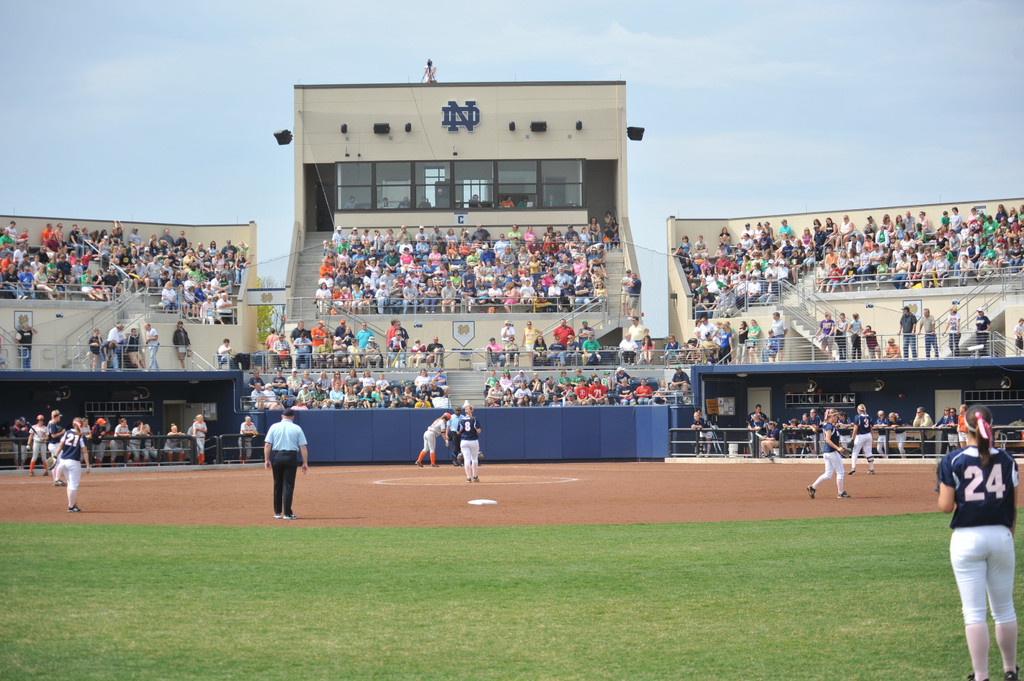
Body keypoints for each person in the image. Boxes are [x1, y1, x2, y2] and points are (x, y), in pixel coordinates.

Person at [938, 405, 1019, 681]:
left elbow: (946, 506)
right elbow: (1013, 506)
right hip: (1001, 535)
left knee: (974, 612)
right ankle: (1010, 670)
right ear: (991, 427)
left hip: (967, 538)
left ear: (966, 427)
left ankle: (981, 675)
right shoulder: (1008, 459)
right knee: (1004, 608)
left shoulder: (953, 459)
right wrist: (1008, 533)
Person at [263, 408, 309, 520]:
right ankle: (287, 513)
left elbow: (268, 444)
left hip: (277, 457)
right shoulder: (297, 428)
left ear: (281, 416)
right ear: (293, 417)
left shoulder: (274, 427)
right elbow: (303, 446)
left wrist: (267, 459)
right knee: (288, 485)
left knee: (277, 484)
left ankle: (277, 512)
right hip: (290, 457)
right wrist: (305, 462)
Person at [807, 409, 851, 499]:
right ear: (830, 416)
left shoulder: (828, 425)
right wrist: (838, 448)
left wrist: (839, 447)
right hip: (832, 452)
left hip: (827, 452)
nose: (837, 417)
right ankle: (840, 493)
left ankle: (813, 487)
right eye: (835, 416)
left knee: (828, 474)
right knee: (840, 472)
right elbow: (827, 439)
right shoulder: (829, 426)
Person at [54, 417, 90, 512]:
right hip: (73, 462)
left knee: (70, 484)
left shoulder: (67, 433)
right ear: (81, 425)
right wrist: (87, 464)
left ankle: (72, 504)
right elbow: (84, 451)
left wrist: (55, 456)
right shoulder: (80, 435)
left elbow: (60, 446)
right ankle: (71, 506)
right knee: (73, 485)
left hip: (63, 461)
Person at [849, 404, 876, 475]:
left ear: (858, 410)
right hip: (868, 435)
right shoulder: (869, 416)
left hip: (860, 436)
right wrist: (872, 437)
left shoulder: (857, 417)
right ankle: (871, 468)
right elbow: (871, 428)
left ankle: (853, 467)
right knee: (868, 452)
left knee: (855, 451)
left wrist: (852, 437)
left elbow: (855, 428)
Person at [458, 404, 482, 482]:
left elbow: (458, 431)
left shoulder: (461, 420)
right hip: (473, 440)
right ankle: (475, 476)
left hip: (464, 441)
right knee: (474, 458)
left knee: (466, 459)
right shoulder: (474, 420)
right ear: (472, 411)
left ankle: (468, 477)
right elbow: (479, 431)